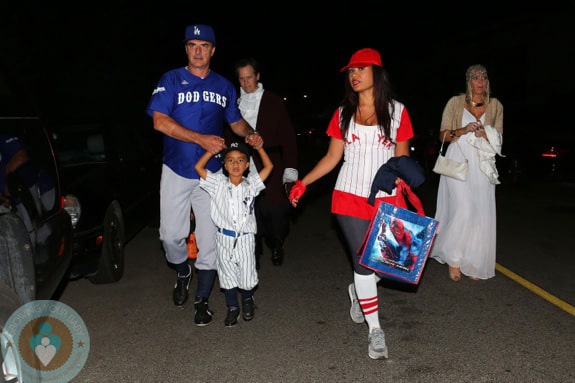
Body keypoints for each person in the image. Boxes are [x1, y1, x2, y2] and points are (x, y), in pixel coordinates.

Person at [289, 48, 415, 360]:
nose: (354, 75)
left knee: (389, 266)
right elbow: (333, 157)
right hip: (348, 196)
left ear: (377, 71)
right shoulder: (342, 114)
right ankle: (375, 331)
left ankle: (359, 291)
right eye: (350, 71)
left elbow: (402, 157)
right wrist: (303, 182)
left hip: (387, 198)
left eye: (360, 68)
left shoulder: (399, 112)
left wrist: (402, 177)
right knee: (363, 263)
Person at [146, 24, 264, 326]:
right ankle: (183, 270)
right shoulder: (171, 80)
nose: (198, 51)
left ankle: (201, 300)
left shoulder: (224, 85)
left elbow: (235, 122)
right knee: (172, 236)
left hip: (211, 175)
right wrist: (201, 139)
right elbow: (159, 122)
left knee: (211, 243)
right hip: (176, 169)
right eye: (192, 45)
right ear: (186, 49)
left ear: (213, 50)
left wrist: (250, 134)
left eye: (204, 46)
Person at [429, 64, 504, 282]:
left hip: (482, 162)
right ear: (468, 81)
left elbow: (498, 139)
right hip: (457, 159)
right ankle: (454, 257)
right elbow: (442, 135)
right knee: (464, 209)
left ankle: (472, 261)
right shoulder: (455, 102)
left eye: (484, 77)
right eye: (475, 77)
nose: (480, 81)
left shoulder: (496, 105)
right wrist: (463, 130)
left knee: (480, 213)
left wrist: (485, 134)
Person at [195, 141, 273, 326]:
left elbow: (269, 166)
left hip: (245, 238)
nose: (235, 164)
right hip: (224, 238)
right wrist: (211, 150)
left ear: (247, 165)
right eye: (230, 160)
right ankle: (232, 307)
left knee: (246, 276)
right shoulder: (217, 183)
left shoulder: (251, 184)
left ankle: (247, 300)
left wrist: (260, 147)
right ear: (224, 164)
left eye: (240, 160)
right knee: (227, 275)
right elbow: (198, 167)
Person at [233, 57, 299, 267]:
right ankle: (254, 249)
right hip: (242, 166)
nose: (245, 83)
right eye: (241, 79)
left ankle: (276, 242)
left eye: (249, 78)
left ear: (258, 76)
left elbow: (288, 138)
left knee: (276, 212)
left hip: (271, 163)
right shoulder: (234, 104)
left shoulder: (273, 101)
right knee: (249, 211)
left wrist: (290, 171)